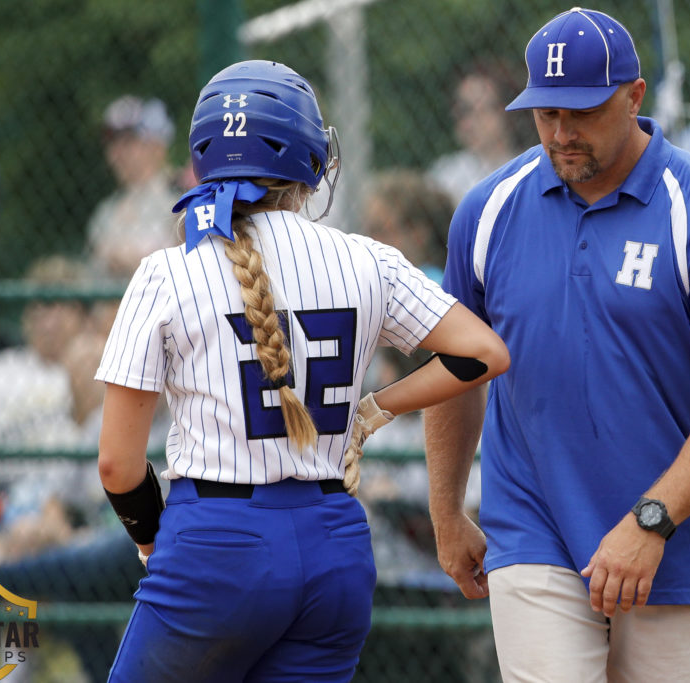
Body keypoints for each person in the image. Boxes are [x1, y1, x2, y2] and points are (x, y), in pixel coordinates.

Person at [94, 59, 509, 682]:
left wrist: (155, 545)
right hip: (333, 545)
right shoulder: (367, 259)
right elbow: (485, 353)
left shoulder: (166, 272)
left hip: (215, 540)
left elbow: (118, 467)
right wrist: (377, 407)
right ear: (309, 159)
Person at [424, 9, 690, 682]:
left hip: (677, 540)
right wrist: (445, 510)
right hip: (534, 526)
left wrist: (651, 521)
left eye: (582, 112)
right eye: (545, 113)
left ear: (634, 96)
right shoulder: (488, 208)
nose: (561, 134)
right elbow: (457, 370)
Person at [86, 95, 180, 281]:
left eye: (129, 141)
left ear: (157, 146)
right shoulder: (106, 210)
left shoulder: (181, 199)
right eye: (113, 142)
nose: (118, 151)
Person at [428, 60, 528, 205]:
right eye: (464, 110)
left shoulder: (530, 170)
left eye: (482, 109)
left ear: (509, 112)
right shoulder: (445, 176)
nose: (470, 121)